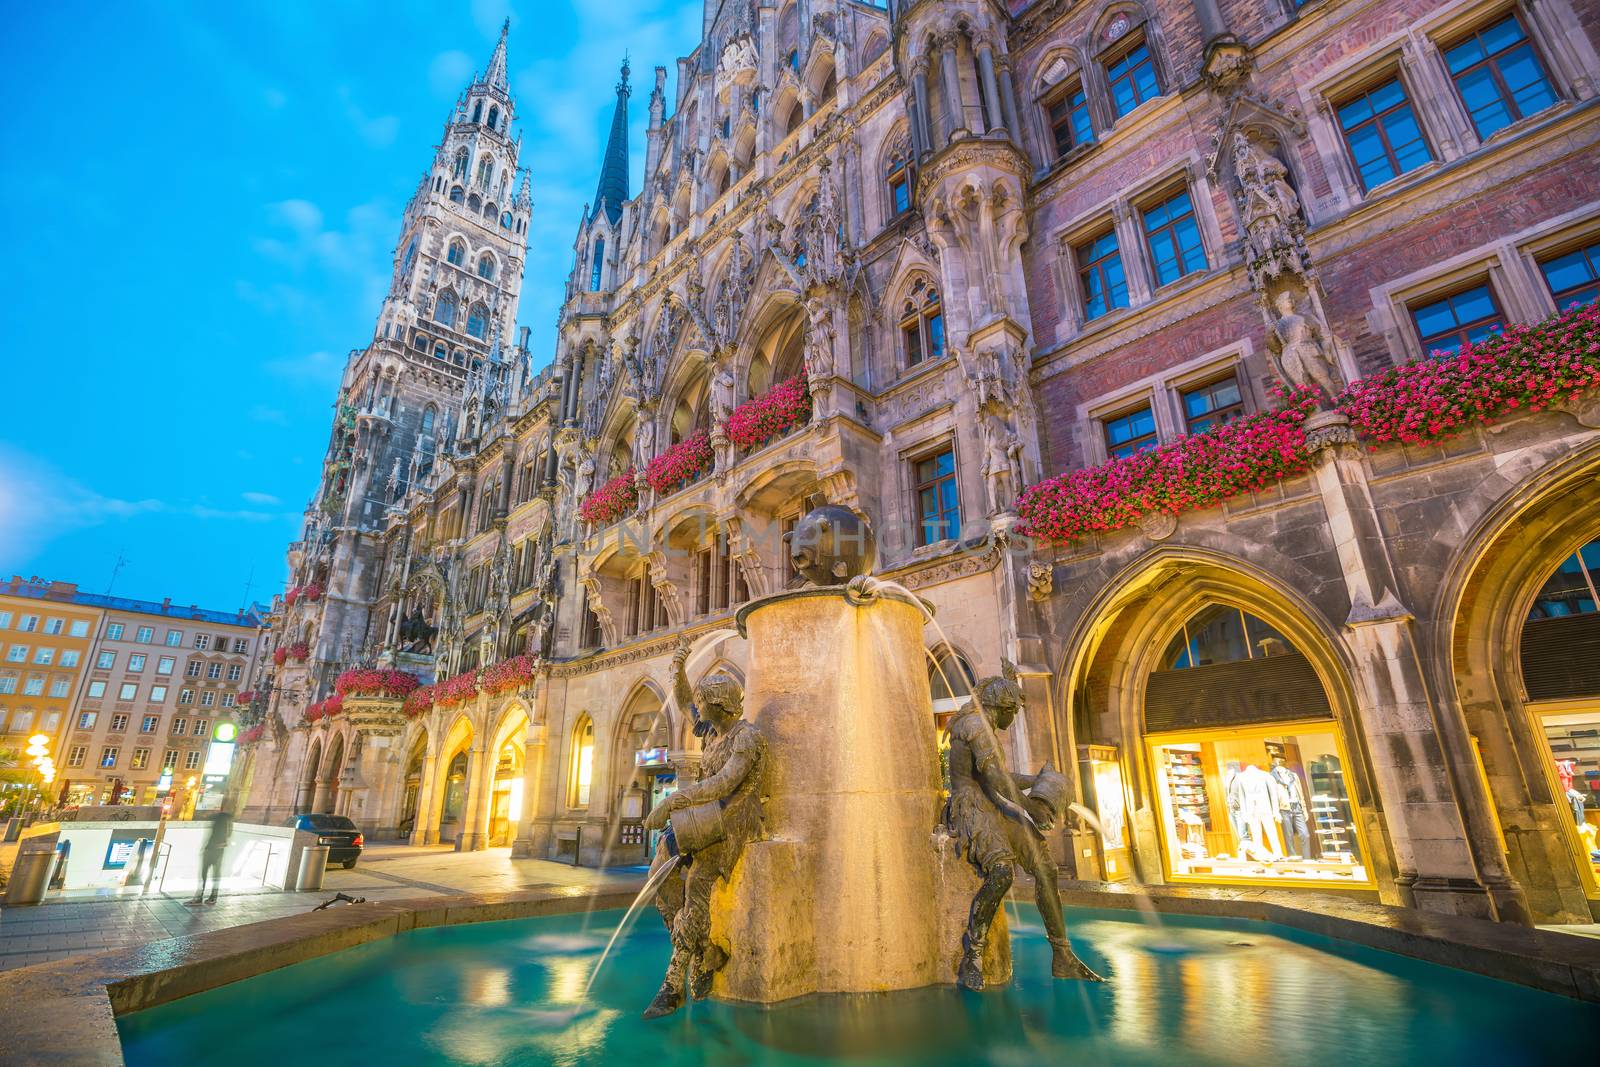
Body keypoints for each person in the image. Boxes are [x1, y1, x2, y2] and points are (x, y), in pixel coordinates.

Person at [944, 661, 1102, 989]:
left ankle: (1062, 954)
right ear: (1002, 708)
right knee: (1002, 871)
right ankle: (972, 952)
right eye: (1012, 713)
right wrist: (1031, 808)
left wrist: (1039, 781)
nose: (1011, 721)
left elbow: (1003, 777)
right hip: (971, 806)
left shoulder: (983, 726)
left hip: (993, 801)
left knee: (1046, 868)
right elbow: (995, 778)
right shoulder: (974, 725)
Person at [640, 643, 766, 1018]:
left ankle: (673, 983)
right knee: (659, 874)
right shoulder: (711, 731)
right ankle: (701, 950)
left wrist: (670, 802)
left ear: (718, 704)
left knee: (697, 882)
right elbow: (682, 703)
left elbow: (724, 784)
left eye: (703, 700)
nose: (698, 706)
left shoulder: (747, 738)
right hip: (705, 817)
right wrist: (677, 671)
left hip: (733, 822)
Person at [187, 810, 233, 905]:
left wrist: (208, 848)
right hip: (218, 850)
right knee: (215, 874)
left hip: (213, 850)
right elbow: (227, 836)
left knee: (204, 873)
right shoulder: (227, 820)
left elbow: (219, 835)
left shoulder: (221, 819)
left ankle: (199, 897)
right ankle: (212, 897)